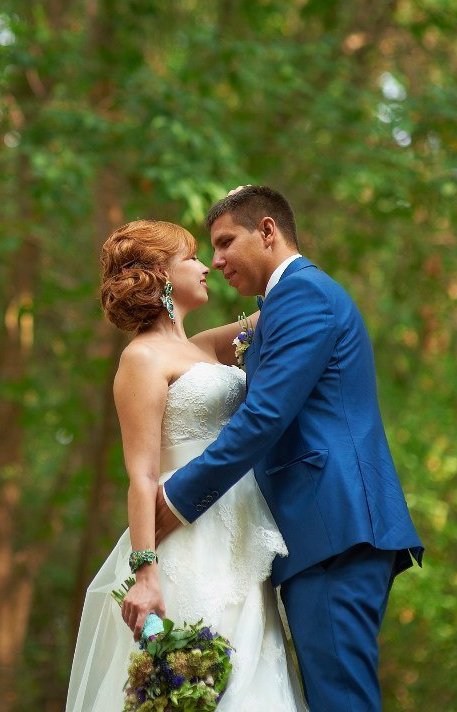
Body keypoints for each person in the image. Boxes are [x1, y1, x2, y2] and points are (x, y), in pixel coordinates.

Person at [152, 186, 425, 711]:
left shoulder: (304, 296)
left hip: (334, 530)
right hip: (319, 536)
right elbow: (213, 355)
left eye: (226, 242)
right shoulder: (282, 304)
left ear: (268, 231)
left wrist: (176, 499)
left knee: (341, 700)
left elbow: (264, 417)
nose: (217, 260)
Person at [66, 219, 305, 712]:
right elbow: (141, 475)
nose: (207, 266)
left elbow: (284, 305)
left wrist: (266, 238)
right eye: (192, 257)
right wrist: (145, 574)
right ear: (159, 274)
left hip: (242, 527)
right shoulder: (141, 358)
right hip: (188, 535)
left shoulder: (205, 346)